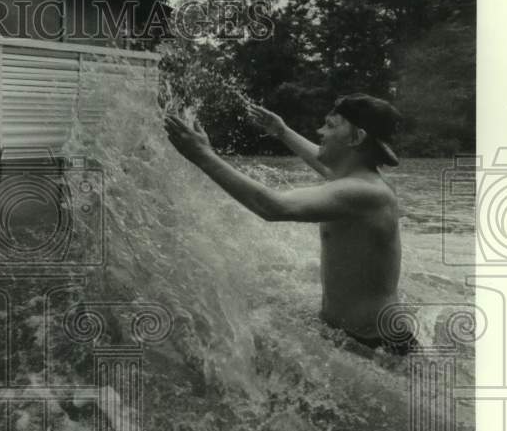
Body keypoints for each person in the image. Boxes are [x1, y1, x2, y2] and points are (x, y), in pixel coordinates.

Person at [164, 92, 418, 355]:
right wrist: (281, 131)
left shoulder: (365, 193)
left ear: (356, 138)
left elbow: (273, 206)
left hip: (378, 346)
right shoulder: (358, 180)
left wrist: (203, 156)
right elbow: (329, 167)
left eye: (330, 126)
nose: (320, 132)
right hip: (349, 337)